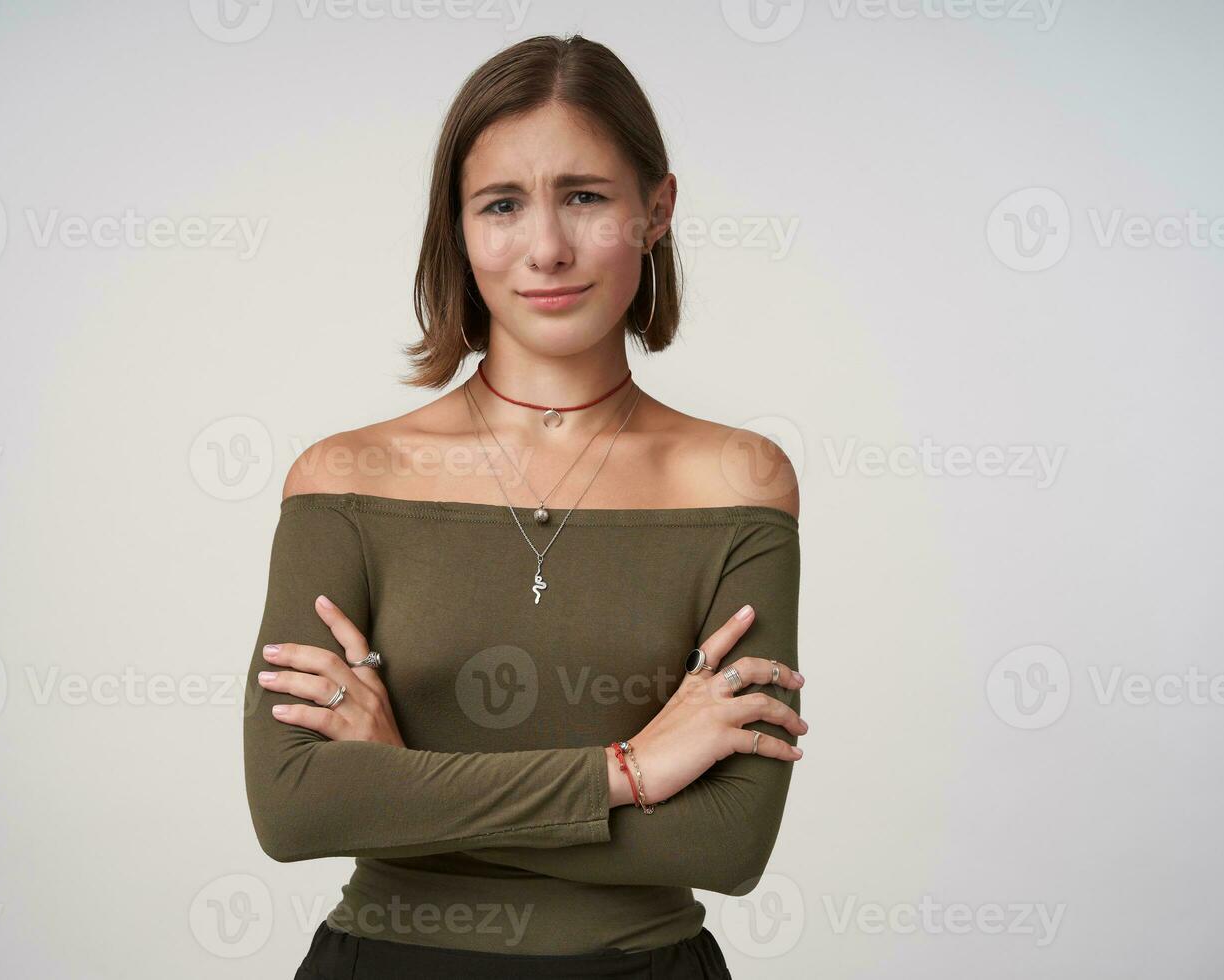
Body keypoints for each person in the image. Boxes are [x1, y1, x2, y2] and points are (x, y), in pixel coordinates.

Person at [243, 33, 806, 980]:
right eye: (502, 205)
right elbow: (296, 808)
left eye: (585, 197)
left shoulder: (740, 480)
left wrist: (401, 783)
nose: (546, 248)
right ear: (458, 228)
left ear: (656, 210)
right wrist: (625, 775)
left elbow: (727, 844)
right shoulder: (346, 478)